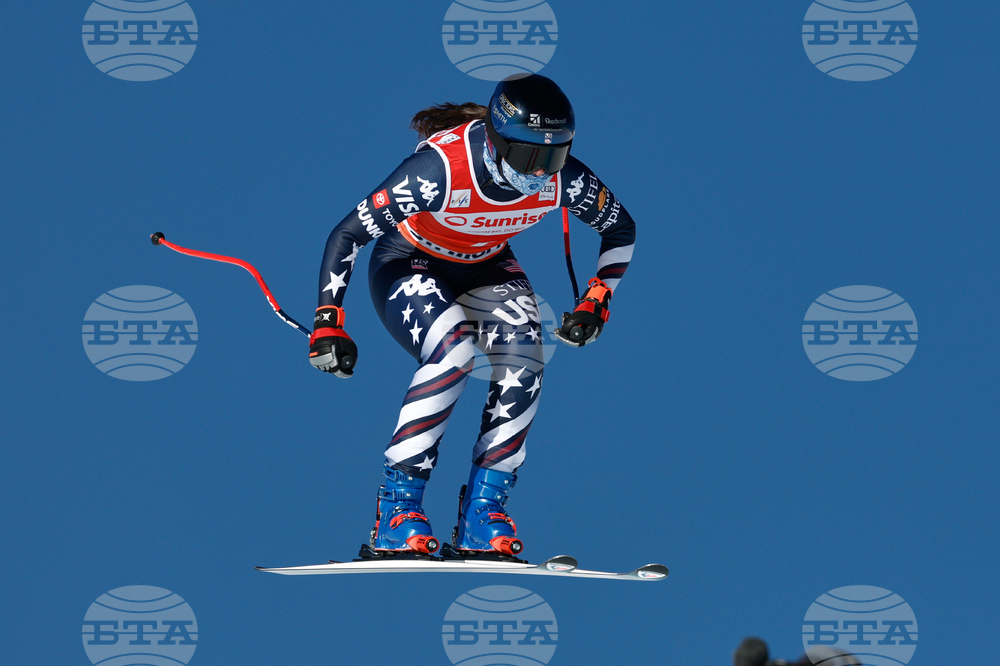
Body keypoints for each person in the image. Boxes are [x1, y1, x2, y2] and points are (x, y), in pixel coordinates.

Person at [308, 74, 636, 557]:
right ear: (498, 140)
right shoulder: (438, 171)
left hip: (487, 264)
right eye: (529, 156)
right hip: (410, 259)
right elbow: (346, 234)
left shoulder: (566, 180)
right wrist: (328, 320)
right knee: (454, 356)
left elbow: (621, 230)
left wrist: (596, 298)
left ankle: (483, 513)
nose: (542, 171)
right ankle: (398, 510)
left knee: (526, 361)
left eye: (556, 155)